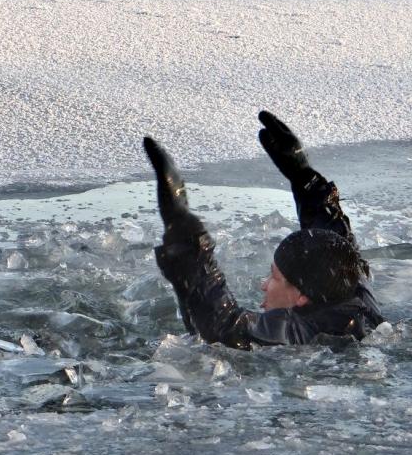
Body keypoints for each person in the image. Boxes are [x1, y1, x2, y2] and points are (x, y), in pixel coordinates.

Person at [144, 111, 383, 349]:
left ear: (302, 297)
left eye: (275, 277)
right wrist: (304, 177)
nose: (264, 284)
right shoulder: (356, 296)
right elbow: (339, 251)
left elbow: (225, 327)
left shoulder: (304, 332)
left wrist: (180, 223)